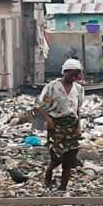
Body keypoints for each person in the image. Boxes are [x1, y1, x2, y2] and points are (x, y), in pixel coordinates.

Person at [37, 57, 87, 192]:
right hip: (56, 125)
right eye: (72, 74)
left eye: (77, 74)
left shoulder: (79, 89)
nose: (75, 77)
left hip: (72, 125)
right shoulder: (52, 87)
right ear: (65, 72)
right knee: (57, 156)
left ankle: (63, 187)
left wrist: (78, 127)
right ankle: (49, 172)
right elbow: (41, 106)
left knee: (69, 158)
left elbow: (78, 110)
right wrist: (49, 120)